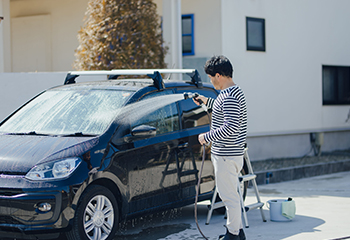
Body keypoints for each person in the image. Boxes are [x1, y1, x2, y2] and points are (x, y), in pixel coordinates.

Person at [194, 55, 247, 240]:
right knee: (232, 196)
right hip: (232, 154)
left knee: (229, 198)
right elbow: (223, 109)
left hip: (226, 155)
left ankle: (232, 235)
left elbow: (230, 126)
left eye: (210, 77)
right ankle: (238, 233)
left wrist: (206, 137)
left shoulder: (229, 95)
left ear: (218, 75)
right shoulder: (234, 92)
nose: (211, 81)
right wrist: (205, 101)